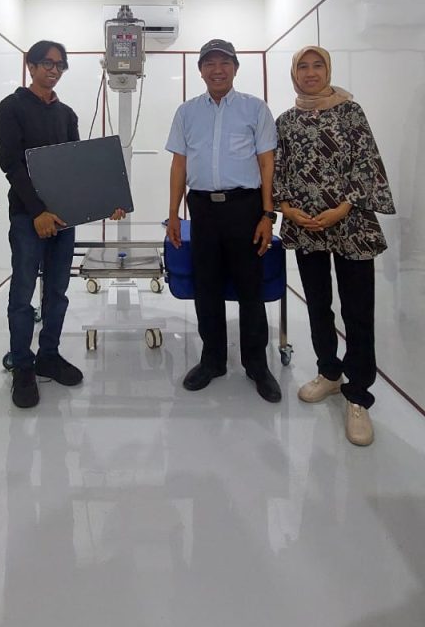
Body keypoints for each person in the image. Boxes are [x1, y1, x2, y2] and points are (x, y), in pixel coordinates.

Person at [274, 46, 395, 446]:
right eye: (303, 67)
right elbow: (278, 169)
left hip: (351, 224)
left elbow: (367, 163)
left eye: (318, 65)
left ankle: (357, 394)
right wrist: (287, 208)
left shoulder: (350, 112)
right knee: (318, 303)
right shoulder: (286, 121)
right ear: (294, 74)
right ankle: (329, 371)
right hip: (306, 226)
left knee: (357, 309)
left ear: (328, 70)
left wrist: (343, 207)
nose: (310, 73)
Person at [0, 40, 125, 409]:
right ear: (31, 65)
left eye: (59, 65)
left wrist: (104, 203)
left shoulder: (66, 114)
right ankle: (23, 365)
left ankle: (48, 355)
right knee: (23, 294)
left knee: (58, 291)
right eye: (47, 63)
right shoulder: (12, 107)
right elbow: (11, 164)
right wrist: (38, 211)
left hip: (64, 218)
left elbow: (76, 167)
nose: (53, 70)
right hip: (28, 217)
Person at [166, 39, 281, 401]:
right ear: (200, 70)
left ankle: (256, 364)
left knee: (250, 287)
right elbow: (179, 164)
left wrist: (268, 214)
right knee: (207, 287)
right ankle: (212, 360)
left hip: (244, 208)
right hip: (202, 210)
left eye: (224, 63)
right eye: (210, 63)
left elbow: (266, 163)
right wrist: (173, 214)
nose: (217, 70)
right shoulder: (187, 112)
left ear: (235, 68)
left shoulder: (254, 108)